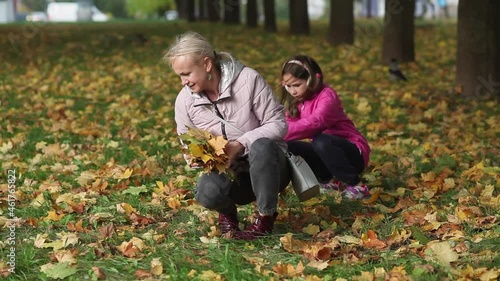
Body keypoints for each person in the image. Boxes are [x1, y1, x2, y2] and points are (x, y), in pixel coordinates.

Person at [164, 32, 290, 240]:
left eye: (186, 74)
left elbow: (278, 124)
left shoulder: (249, 80)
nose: (183, 82)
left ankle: (265, 218)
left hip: (271, 168)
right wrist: (207, 157)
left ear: (206, 64)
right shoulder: (185, 101)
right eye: (179, 75)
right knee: (207, 192)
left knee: (261, 146)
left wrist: (239, 144)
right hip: (232, 174)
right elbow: (187, 145)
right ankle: (227, 213)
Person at [279, 55, 371, 200]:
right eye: (288, 86)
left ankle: (358, 185)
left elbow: (316, 122)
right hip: (325, 152)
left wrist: (280, 132)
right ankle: (329, 181)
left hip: (351, 152)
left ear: (313, 80)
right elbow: (287, 123)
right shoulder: (297, 101)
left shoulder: (327, 96)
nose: (293, 91)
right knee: (289, 145)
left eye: (297, 85)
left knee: (321, 141)